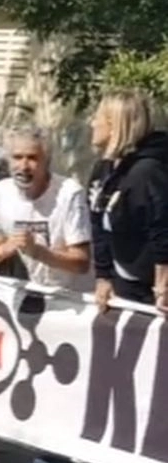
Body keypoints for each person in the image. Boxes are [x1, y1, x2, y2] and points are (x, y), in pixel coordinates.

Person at [0, 124, 92, 463]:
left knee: (61, 391)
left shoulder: (68, 193)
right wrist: (4, 249)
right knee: (35, 387)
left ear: (47, 162)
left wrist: (41, 253)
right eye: (18, 158)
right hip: (29, 302)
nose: (24, 166)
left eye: (32, 158)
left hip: (70, 302)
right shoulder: (0, 193)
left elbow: (80, 259)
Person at [88, 89, 168, 314]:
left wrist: (162, 286)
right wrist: (103, 276)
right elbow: (98, 223)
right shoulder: (102, 169)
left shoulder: (148, 171)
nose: (92, 123)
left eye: (97, 117)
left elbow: (162, 230)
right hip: (124, 278)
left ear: (114, 124)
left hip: (152, 284)